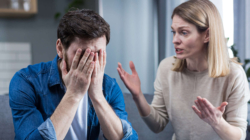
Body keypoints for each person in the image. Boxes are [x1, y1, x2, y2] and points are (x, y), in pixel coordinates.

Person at [117, 0, 250, 140]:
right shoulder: (166, 68)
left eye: (184, 33)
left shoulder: (234, 75)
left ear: (207, 35)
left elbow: (239, 136)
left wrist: (217, 122)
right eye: (174, 32)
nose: (175, 40)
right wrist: (138, 96)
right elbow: (157, 125)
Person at [9, 9, 138, 140]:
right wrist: (73, 94)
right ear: (60, 48)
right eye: (82, 54)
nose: (91, 63)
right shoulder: (26, 81)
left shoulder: (109, 87)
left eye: (98, 54)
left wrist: (97, 96)